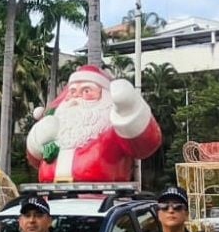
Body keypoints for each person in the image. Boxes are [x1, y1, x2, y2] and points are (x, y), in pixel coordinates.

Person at [25, 65, 162, 183]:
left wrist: (128, 109)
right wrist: (37, 139)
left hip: (101, 201)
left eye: (86, 91)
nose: (76, 97)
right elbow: (34, 159)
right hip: (51, 199)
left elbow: (146, 143)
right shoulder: (58, 127)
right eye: (72, 91)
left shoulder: (112, 128)